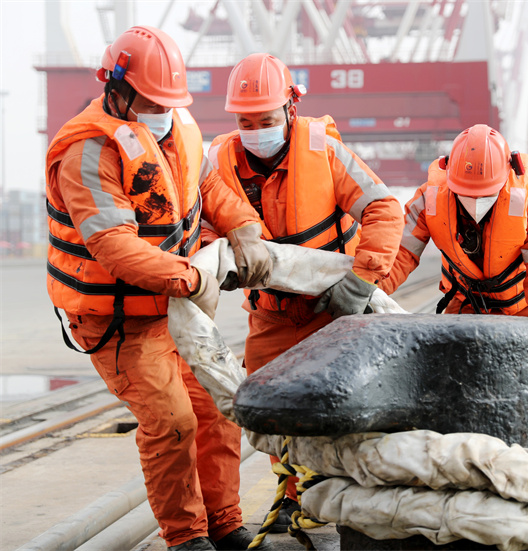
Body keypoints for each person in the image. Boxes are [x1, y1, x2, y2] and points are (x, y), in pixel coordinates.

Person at [45, 26, 273, 551]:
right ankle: (186, 537)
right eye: (151, 102)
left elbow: (206, 186)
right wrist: (192, 278)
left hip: (177, 308)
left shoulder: (178, 126)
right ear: (116, 88)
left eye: (168, 102)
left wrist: (241, 225)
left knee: (219, 406)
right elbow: (113, 245)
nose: (161, 110)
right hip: (120, 321)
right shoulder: (87, 148)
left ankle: (225, 522)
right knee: (173, 421)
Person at [205, 52, 404, 531]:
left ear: (291, 108)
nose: (255, 130)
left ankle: (347, 503)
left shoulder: (325, 153)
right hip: (269, 317)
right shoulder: (217, 160)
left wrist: (361, 281)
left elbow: (383, 209)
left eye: (266, 120)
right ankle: (294, 498)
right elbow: (201, 226)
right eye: (245, 120)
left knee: (344, 411)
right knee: (273, 414)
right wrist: (222, 260)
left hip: (330, 313)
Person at [379, 124, 528, 470]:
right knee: (458, 392)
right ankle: (477, 473)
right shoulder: (429, 198)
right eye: (467, 195)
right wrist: (366, 291)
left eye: (486, 195)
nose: (476, 203)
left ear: (505, 178)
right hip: (466, 308)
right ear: (450, 178)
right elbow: (397, 257)